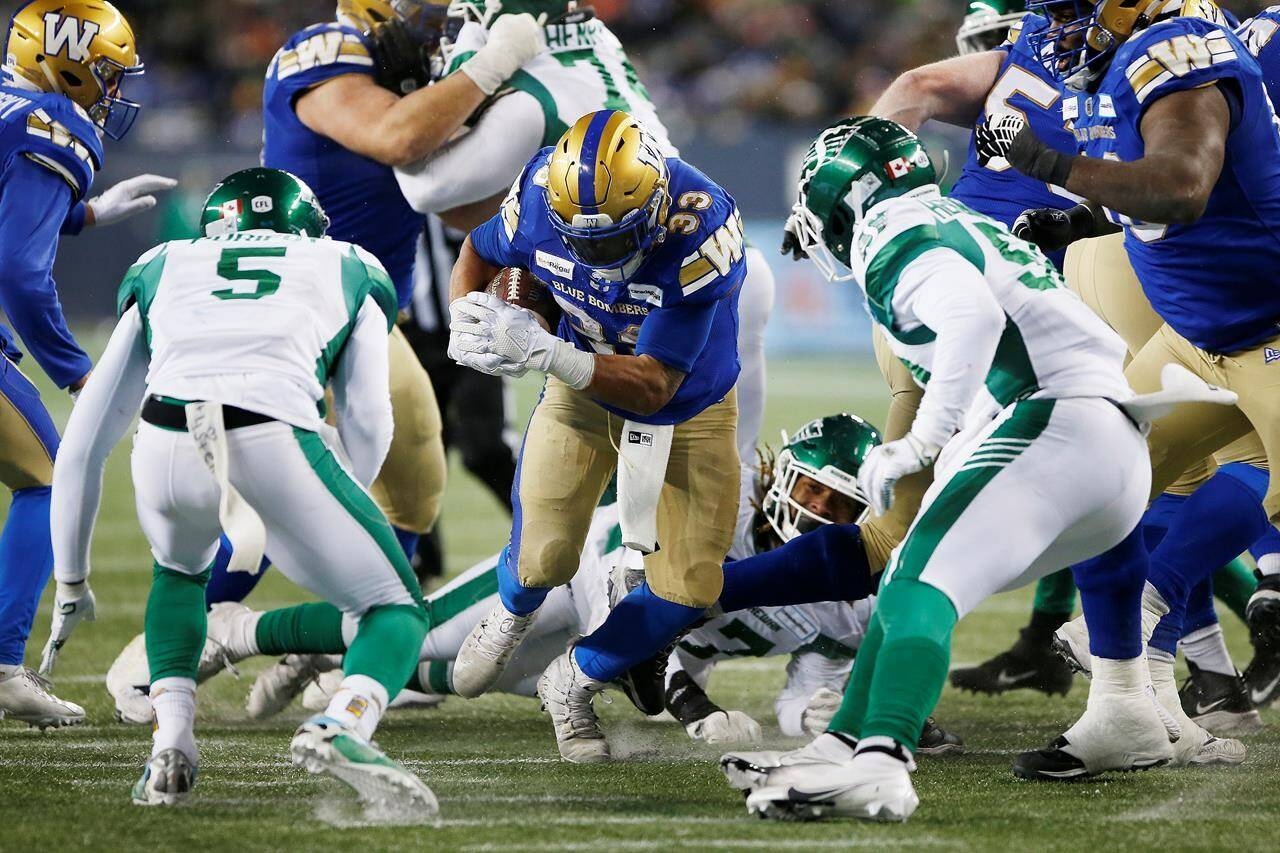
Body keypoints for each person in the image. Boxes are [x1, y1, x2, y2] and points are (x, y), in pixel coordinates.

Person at [740, 116, 1239, 823]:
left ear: (843, 197)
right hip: (1106, 438)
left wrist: (919, 443)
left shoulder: (889, 233)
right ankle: (846, 740)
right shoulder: (948, 216)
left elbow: (970, 317)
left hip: (1059, 423)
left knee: (921, 584)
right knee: (912, 567)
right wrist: (953, 455)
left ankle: (881, 760)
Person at [45, 168, 436, 812]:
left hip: (167, 436)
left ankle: (171, 739)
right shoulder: (348, 262)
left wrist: (71, 578)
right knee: (395, 611)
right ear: (306, 227)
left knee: (179, 573)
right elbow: (368, 415)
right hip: (271, 430)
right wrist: (333, 506)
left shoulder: (163, 261)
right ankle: (344, 724)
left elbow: (87, 437)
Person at [983, 0, 1280, 747]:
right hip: (1195, 337)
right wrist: (1084, 218)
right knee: (1100, 478)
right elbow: (1168, 190)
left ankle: (1152, 613)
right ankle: (1139, 710)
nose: (1057, 28)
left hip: (1268, 335)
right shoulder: (1136, 55)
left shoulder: (1177, 53)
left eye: (1070, 9)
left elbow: (1182, 187)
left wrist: (1042, 164)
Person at [446, 108, 746, 762]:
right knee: (542, 557)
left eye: (613, 240)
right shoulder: (534, 198)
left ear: (657, 206)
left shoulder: (700, 231)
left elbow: (654, 385)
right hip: (581, 395)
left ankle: (574, 677)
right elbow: (477, 249)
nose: (593, 255)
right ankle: (512, 610)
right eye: (581, 240)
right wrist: (462, 316)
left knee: (691, 586)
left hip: (687, 405)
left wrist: (549, 352)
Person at [0, 0, 175, 728]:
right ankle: (6, 667)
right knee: (49, 474)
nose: (111, 90)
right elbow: (16, 267)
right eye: (105, 72)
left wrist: (89, 213)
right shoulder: (51, 120)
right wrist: (77, 371)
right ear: (63, 58)